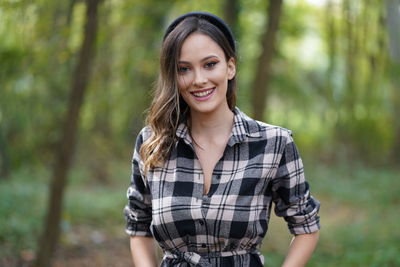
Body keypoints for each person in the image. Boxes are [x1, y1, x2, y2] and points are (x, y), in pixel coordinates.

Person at [124, 11, 320, 267]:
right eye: (184, 69)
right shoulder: (152, 142)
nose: (199, 80)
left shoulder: (274, 143)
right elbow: (138, 226)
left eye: (210, 64)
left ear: (230, 66)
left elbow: (306, 226)